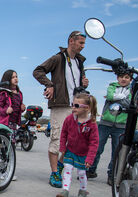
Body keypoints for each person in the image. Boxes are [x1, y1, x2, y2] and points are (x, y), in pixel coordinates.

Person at [33, 30, 89, 188]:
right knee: (57, 140)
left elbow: (78, 82)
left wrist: (84, 83)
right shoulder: (58, 58)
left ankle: (59, 166)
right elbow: (37, 71)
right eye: (81, 43)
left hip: (76, 106)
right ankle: (54, 173)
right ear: (71, 41)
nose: (83, 47)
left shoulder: (79, 62)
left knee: (73, 141)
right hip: (61, 105)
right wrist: (49, 85)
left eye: (84, 44)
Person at [88, 72, 132, 184]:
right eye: (121, 77)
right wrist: (119, 98)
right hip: (106, 122)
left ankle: (112, 175)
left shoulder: (132, 90)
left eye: (126, 77)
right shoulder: (112, 86)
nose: (123, 79)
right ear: (117, 78)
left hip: (121, 125)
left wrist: (116, 98)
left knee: (116, 152)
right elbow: (110, 96)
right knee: (97, 147)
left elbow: (130, 103)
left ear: (130, 79)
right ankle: (91, 170)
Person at [56, 93, 99, 197]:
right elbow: (64, 134)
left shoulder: (92, 124)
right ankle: (65, 191)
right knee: (67, 168)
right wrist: (62, 147)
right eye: (72, 105)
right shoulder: (69, 119)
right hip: (70, 150)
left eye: (76, 106)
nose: (73, 108)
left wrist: (90, 158)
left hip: (83, 154)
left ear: (87, 108)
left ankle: (83, 191)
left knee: (81, 172)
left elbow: (94, 143)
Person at [0, 70, 26, 181]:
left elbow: (18, 108)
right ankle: (2, 172)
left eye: (17, 76)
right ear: (7, 79)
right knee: (6, 148)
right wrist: (6, 110)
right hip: (5, 124)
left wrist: (22, 108)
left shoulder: (19, 93)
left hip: (14, 124)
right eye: (13, 77)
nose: (16, 79)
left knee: (8, 148)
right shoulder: (4, 92)